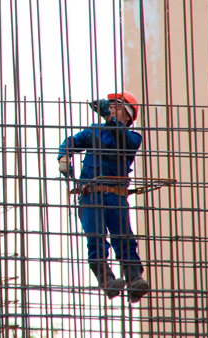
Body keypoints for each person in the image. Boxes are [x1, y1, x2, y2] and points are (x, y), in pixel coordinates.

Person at [57, 91, 150, 303]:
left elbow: (122, 138)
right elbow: (72, 141)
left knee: (124, 238)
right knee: (96, 239)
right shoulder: (94, 132)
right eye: (110, 107)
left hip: (115, 196)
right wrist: (64, 155)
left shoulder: (132, 137)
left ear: (128, 116)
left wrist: (109, 118)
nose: (111, 110)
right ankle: (107, 281)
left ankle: (134, 279)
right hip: (91, 196)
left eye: (117, 107)